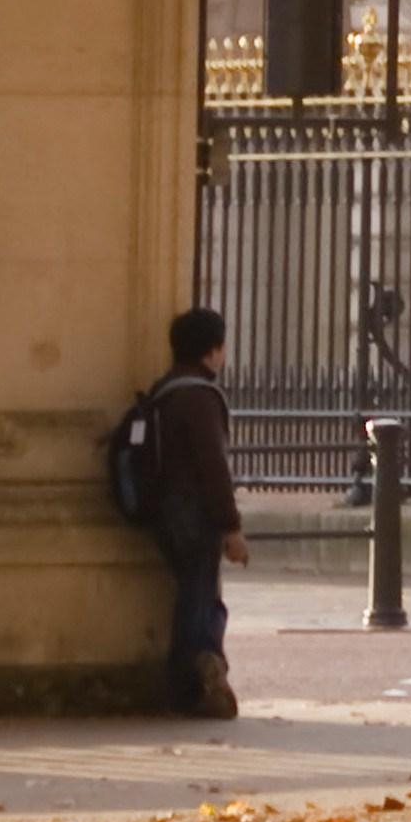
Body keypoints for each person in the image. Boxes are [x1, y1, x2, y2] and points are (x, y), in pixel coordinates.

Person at [139, 308, 246, 718]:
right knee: (202, 601)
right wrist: (231, 528)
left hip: (163, 511)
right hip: (193, 516)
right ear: (213, 349)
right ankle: (198, 678)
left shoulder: (163, 391)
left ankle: (190, 681)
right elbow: (213, 468)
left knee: (192, 595)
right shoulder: (200, 397)